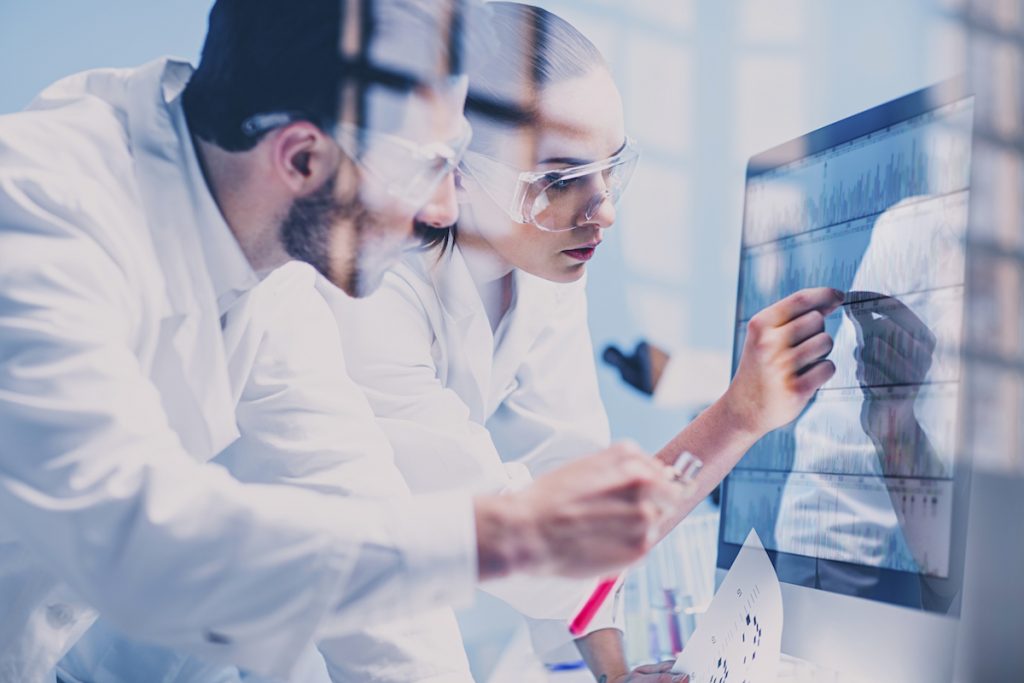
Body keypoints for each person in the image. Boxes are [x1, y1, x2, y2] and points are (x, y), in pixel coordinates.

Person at [0, 1, 694, 681]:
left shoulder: (269, 269)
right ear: (302, 156)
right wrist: (503, 534)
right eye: (426, 169)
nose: (443, 212)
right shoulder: (41, 212)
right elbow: (136, 540)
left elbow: (356, 505)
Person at [335, 3, 843, 681]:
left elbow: (564, 472)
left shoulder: (542, 267)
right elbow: (527, 534)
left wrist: (615, 674)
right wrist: (739, 416)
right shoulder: (369, 293)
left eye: (609, 168)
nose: (602, 209)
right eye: (558, 179)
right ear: (449, 172)